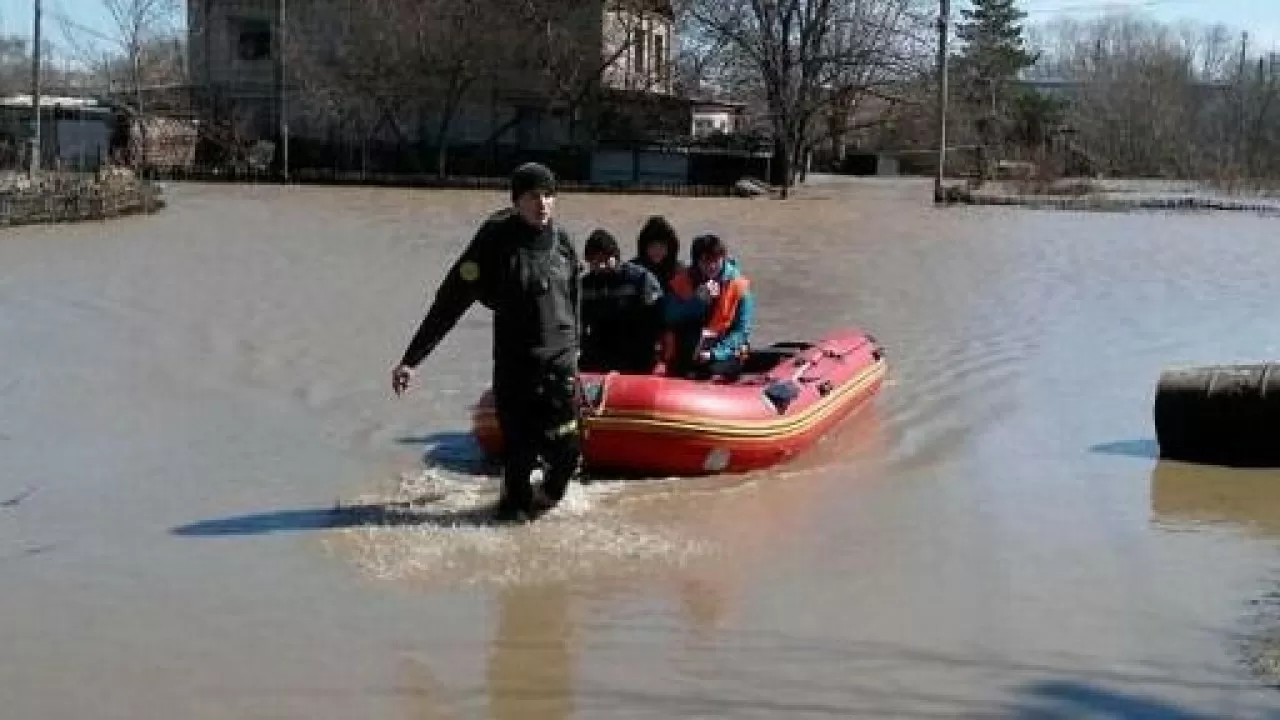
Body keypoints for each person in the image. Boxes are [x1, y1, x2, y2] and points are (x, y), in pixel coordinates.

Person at [391, 162, 582, 524]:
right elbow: (449, 302)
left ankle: (544, 502)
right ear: (516, 201)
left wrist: (578, 353)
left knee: (567, 455)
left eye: (548, 195)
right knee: (520, 461)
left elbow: (575, 303)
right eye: (532, 196)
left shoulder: (566, 246)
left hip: (560, 370)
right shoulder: (495, 247)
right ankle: (512, 527)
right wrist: (411, 360)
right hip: (516, 372)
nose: (542, 203)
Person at [662, 234, 755, 379]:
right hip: (689, 349)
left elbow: (742, 331)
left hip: (725, 351)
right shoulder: (681, 281)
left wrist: (714, 353)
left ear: (722, 259)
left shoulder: (738, 286)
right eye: (706, 261)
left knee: (710, 370)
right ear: (697, 262)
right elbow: (669, 316)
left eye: (715, 261)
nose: (711, 266)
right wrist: (697, 302)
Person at [579, 228, 665, 374]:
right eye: (594, 261)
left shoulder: (639, 278)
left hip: (635, 346)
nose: (600, 265)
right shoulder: (585, 285)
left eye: (604, 260)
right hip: (600, 347)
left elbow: (656, 317)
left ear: (616, 256)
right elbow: (577, 321)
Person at [631, 215, 684, 291]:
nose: (657, 251)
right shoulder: (634, 270)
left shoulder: (678, 272)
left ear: (670, 248)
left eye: (662, 246)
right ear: (645, 247)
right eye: (653, 246)